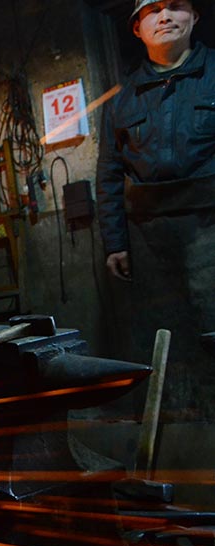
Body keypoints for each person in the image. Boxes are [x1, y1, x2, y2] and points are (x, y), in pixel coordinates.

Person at [96, 0, 215, 417]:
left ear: (195, 17)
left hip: (209, 226)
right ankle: (181, 437)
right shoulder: (121, 100)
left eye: (176, 6)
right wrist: (116, 242)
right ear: (137, 28)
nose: (164, 16)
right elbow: (109, 176)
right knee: (165, 339)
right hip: (148, 239)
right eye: (153, 10)